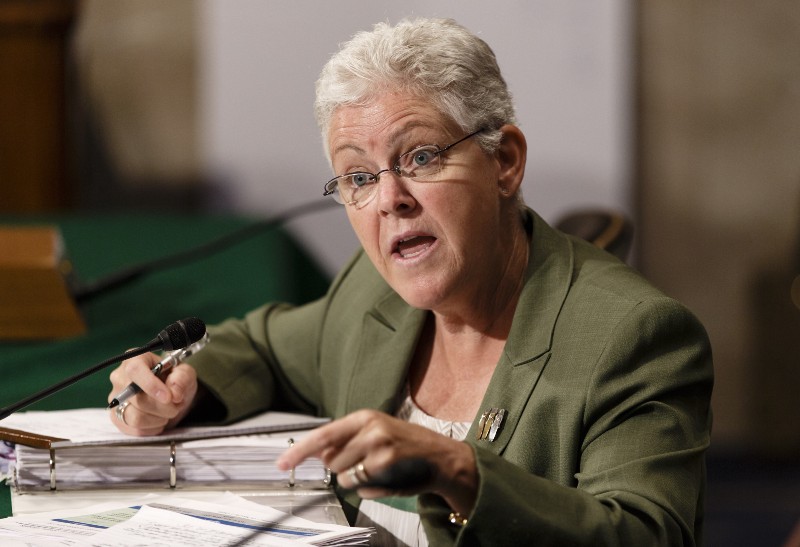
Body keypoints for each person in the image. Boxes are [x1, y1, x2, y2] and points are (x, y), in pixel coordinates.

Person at [107, 17, 713, 547]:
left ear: (504, 161)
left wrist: (460, 472)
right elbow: (262, 346)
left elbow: (646, 533)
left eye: (421, 157)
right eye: (358, 177)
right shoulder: (372, 296)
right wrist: (176, 385)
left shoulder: (635, 336)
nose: (389, 200)